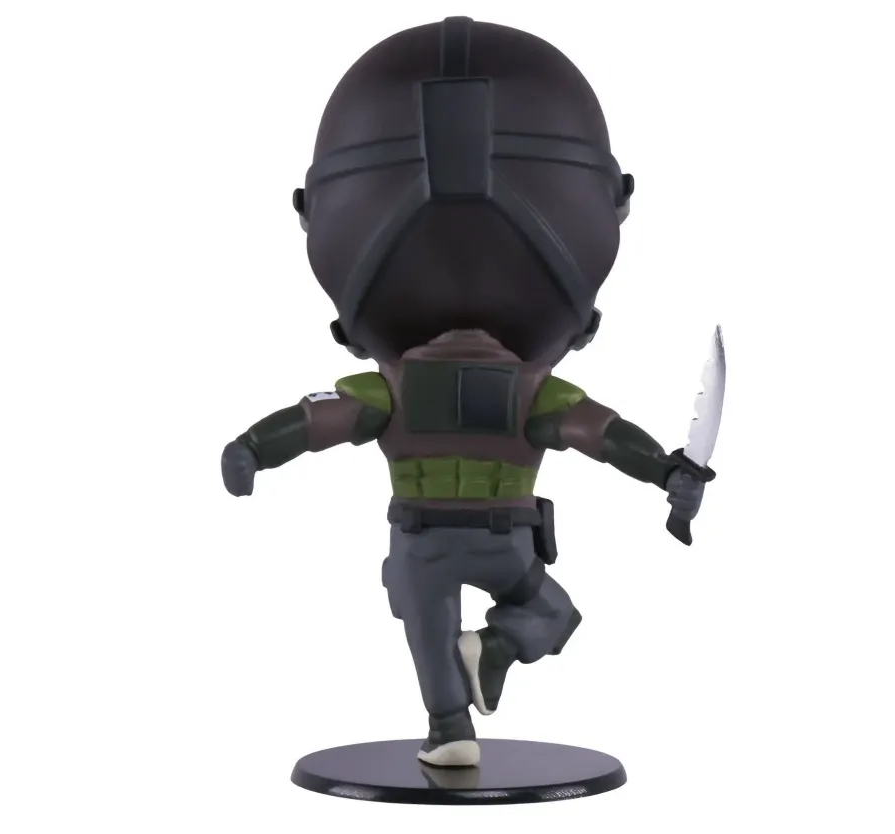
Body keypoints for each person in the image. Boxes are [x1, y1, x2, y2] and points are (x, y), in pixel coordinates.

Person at [221, 16, 712, 768]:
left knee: (479, 642)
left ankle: (464, 700)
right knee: (526, 627)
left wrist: (254, 449)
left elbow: (318, 420)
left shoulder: (408, 390)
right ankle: (461, 706)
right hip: (487, 540)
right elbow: (601, 434)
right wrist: (666, 470)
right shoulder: (522, 393)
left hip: (444, 541)